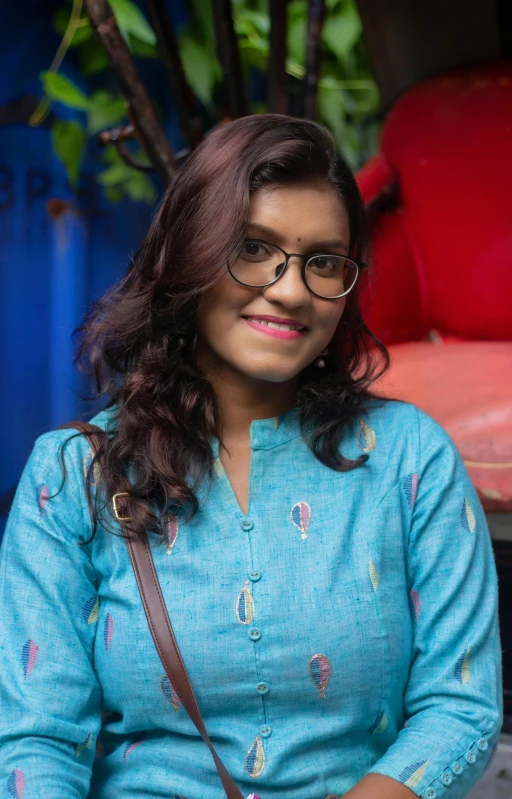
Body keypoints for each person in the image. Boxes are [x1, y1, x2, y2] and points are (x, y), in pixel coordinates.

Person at [0, 114, 502, 799]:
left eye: (324, 261)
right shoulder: (73, 476)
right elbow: (37, 740)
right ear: (191, 257)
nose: (292, 289)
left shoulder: (410, 462)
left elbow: (461, 706)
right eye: (254, 248)